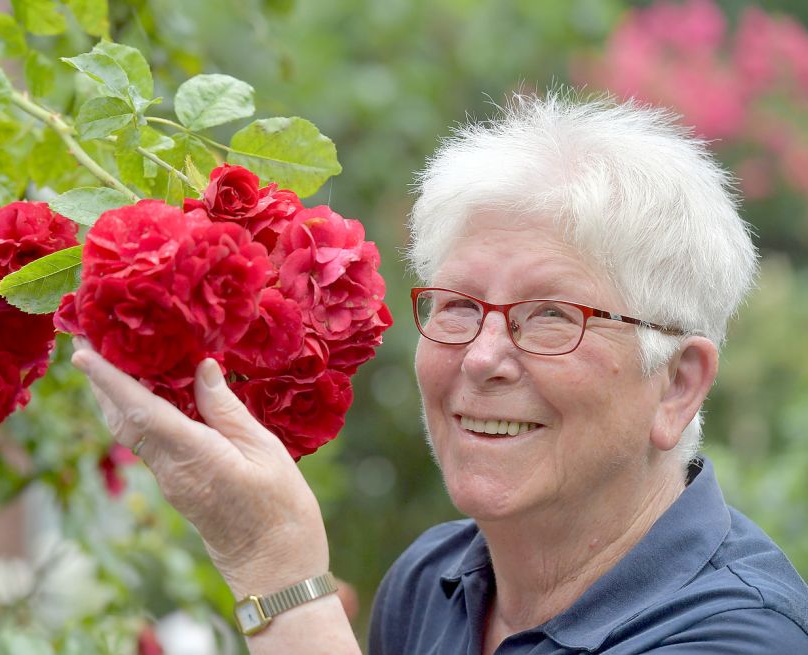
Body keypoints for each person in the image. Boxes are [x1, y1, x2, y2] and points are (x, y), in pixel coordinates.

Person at [70, 93, 808, 654]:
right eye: (457, 305)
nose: (482, 356)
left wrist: (276, 569)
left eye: (549, 315)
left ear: (677, 383)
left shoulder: (739, 632)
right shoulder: (433, 580)